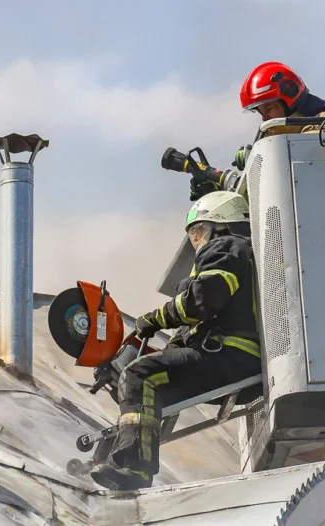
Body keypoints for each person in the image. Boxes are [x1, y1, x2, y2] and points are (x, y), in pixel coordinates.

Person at [90, 191, 262, 491]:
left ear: (220, 225)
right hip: (234, 361)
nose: (197, 241)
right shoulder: (242, 255)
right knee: (149, 379)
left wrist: (154, 319)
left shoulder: (226, 246)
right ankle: (116, 454)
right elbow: (203, 316)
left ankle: (135, 466)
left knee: (140, 375)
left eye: (198, 231)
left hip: (230, 359)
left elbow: (200, 301)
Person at [233, 61, 325, 171]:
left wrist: (259, 155)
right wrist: (252, 156)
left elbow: (310, 144)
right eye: (261, 111)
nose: (264, 118)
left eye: (269, 109)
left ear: (289, 103)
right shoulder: (271, 138)